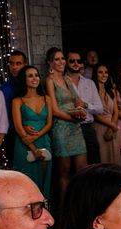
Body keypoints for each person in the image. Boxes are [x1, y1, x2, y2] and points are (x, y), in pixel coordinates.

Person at [44, 47, 88, 205]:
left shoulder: (68, 79)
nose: (61, 62)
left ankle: (82, 204)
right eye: (57, 59)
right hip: (61, 128)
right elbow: (54, 110)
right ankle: (65, 210)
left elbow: (78, 100)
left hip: (75, 129)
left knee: (83, 170)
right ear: (50, 62)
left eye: (62, 58)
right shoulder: (49, 81)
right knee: (64, 172)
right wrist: (74, 117)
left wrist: (81, 109)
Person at [12, 65, 53, 198]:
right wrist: (33, 148)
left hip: (43, 141)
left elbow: (49, 123)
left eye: (36, 75)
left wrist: (36, 137)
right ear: (24, 80)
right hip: (24, 144)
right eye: (30, 76)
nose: (34, 78)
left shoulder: (47, 98)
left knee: (44, 180)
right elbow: (18, 127)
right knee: (26, 183)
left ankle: (44, 212)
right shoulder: (17, 101)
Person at [67, 50, 103, 165]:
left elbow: (99, 108)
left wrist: (86, 105)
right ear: (66, 63)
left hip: (87, 128)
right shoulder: (62, 82)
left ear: (82, 64)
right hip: (70, 128)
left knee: (94, 162)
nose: (76, 63)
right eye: (72, 61)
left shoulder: (90, 83)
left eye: (78, 61)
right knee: (74, 166)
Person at [0, 50, 27, 167]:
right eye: (12, 63)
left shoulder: (32, 84)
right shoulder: (3, 89)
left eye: (18, 63)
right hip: (12, 134)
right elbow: (3, 115)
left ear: (24, 64)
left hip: (34, 131)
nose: (14, 67)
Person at [92, 63, 121, 166]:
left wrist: (112, 126)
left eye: (106, 72)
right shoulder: (92, 91)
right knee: (103, 157)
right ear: (95, 74)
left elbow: (116, 112)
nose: (104, 75)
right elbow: (94, 114)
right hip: (99, 127)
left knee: (115, 157)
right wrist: (111, 125)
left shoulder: (111, 91)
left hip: (112, 127)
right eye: (100, 72)